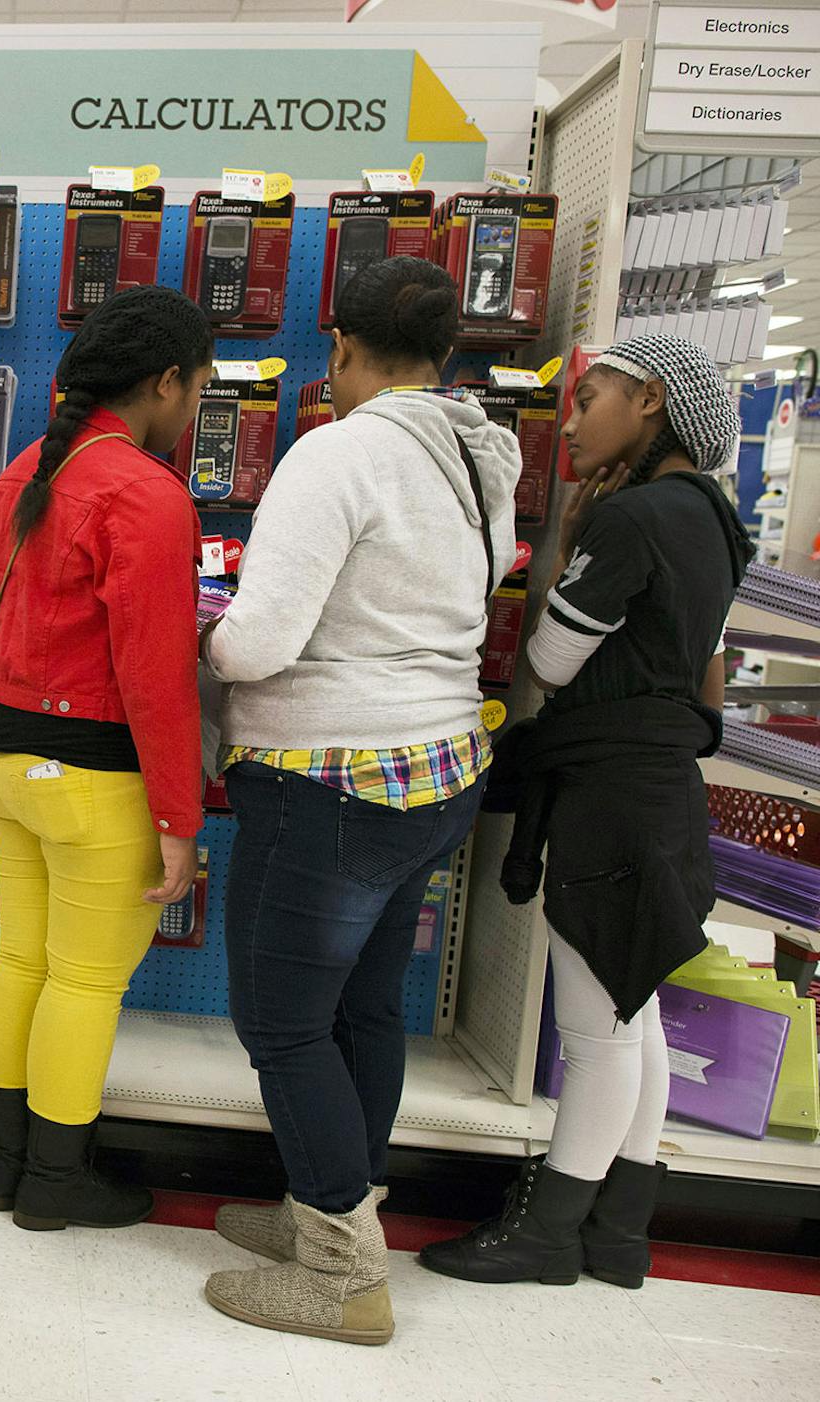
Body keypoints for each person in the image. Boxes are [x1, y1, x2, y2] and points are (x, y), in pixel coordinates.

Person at [199, 257, 519, 1346]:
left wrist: (201, 639)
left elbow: (263, 640)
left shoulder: (336, 452)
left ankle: (341, 1269)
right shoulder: (482, 453)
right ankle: (333, 1208)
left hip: (329, 780)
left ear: (340, 345)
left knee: (282, 1023)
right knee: (362, 1009)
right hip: (436, 771)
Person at [420, 335, 750, 1290]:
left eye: (592, 396)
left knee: (597, 1031)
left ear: (650, 402)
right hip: (663, 793)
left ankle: (549, 1232)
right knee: (630, 1009)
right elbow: (709, 675)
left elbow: (552, 663)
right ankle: (619, 1230)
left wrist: (570, 542)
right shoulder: (715, 519)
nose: (570, 418)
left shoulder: (634, 518)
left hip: (607, 797)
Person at [0, 285, 212, 1233]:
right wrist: (178, 820)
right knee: (84, 980)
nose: (196, 410)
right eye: (197, 389)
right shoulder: (145, 495)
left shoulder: (21, 472)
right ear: (165, 382)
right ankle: (58, 1181)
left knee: (22, 958)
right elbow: (156, 680)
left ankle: (7, 1167)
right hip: (92, 780)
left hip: (1, 759)